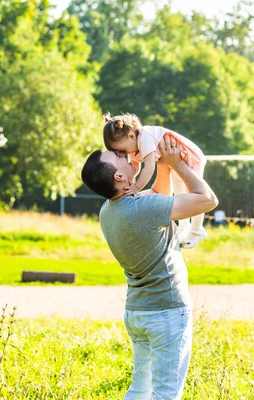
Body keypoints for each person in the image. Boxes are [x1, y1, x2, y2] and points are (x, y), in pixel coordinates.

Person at [81, 136, 218, 400]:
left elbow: (159, 197)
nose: (124, 154)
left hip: (138, 313)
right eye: (119, 157)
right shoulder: (142, 209)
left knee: (140, 389)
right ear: (120, 176)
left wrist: (162, 164)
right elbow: (207, 199)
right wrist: (179, 165)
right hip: (165, 313)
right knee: (166, 394)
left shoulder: (108, 210)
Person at [103, 113, 208, 249]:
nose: (124, 155)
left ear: (131, 136)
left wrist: (136, 187)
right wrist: (130, 180)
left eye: (122, 150)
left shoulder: (144, 138)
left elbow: (150, 167)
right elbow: (135, 167)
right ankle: (183, 226)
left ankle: (197, 230)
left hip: (191, 158)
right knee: (179, 192)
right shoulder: (134, 147)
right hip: (176, 161)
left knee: (193, 194)